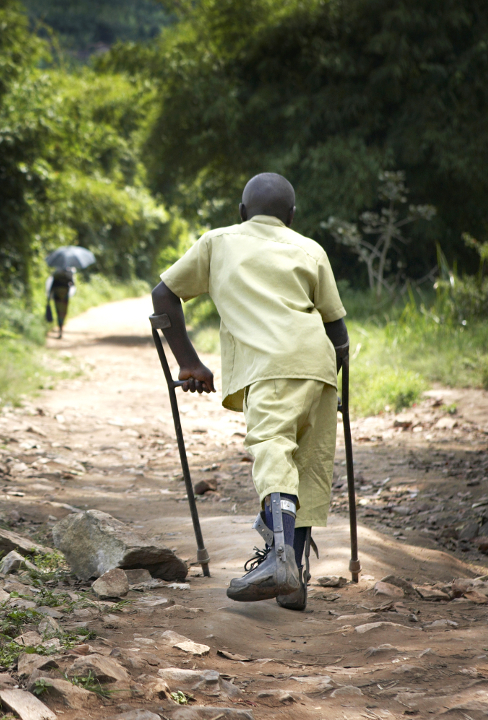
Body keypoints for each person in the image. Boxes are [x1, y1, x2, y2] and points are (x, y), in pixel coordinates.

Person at [150, 173, 349, 611]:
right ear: (292, 216)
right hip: (318, 364)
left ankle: (278, 559)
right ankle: (293, 576)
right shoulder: (310, 248)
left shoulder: (218, 241)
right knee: (308, 464)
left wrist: (188, 361)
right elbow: (336, 326)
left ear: (242, 212)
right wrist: (338, 383)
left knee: (273, 447)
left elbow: (163, 295)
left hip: (270, 366)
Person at [45, 267, 76, 339]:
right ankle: (61, 328)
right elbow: (72, 284)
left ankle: (60, 329)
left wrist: (49, 297)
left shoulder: (56, 273)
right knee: (63, 313)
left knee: (58, 312)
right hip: (64, 296)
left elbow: (52, 286)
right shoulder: (68, 274)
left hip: (57, 297)